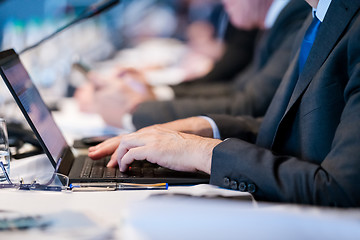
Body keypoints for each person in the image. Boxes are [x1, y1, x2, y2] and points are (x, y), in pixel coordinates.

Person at [89, 0, 360, 207]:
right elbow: (294, 132)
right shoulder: (321, 15)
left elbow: (340, 189)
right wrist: (204, 128)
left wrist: (204, 153)